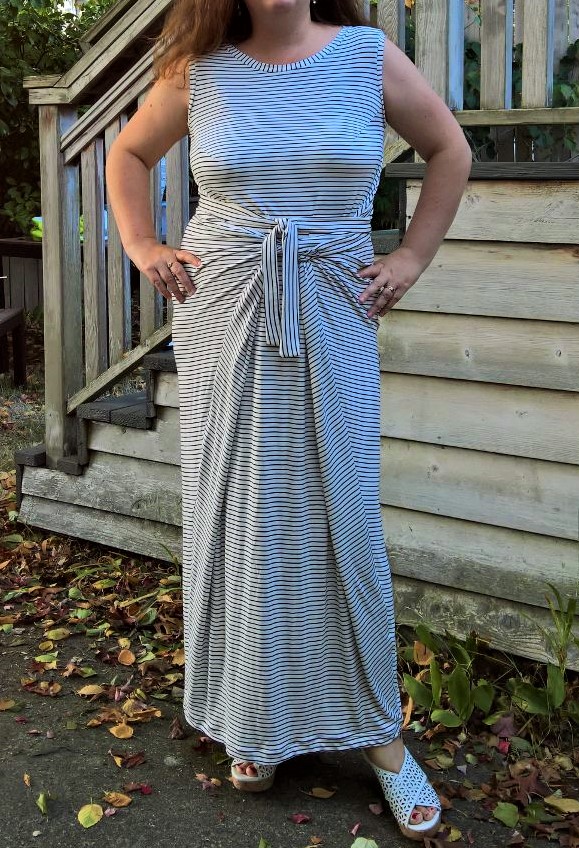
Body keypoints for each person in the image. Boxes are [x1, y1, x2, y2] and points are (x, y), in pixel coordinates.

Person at [106, 0, 471, 840]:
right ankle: (253, 719)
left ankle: (380, 736)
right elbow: (127, 153)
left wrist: (410, 256)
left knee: (342, 514)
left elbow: (451, 149)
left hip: (333, 303)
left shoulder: (365, 55)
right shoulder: (199, 66)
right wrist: (142, 245)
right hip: (225, 305)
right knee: (241, 516)